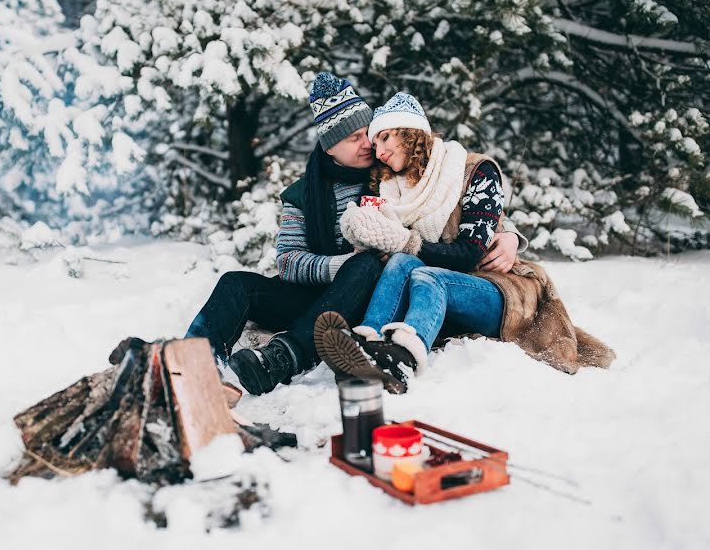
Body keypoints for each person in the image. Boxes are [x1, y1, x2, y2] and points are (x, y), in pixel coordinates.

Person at [184, 75, 526, 396]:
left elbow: (449, 197)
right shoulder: (303, 195)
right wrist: (342, 265)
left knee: (366, 267)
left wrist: (508, 234)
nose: (370, 146)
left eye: (372, 134)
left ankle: (286, 356)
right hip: (315, 296)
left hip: (366, 298)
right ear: (330, 147)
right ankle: (189, 366)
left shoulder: (390, 174)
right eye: (355, 138)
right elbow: (288, 261)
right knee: (236, 283)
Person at [314, 92, 614, 393]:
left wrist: (406, 241)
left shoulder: (476, 172)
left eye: (385, 137)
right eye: (374, 142)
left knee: (424, 273)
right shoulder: (394, 188)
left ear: (410, 131)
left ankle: (403, 359)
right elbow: (399, 252)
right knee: (402, 262)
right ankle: (367, 346)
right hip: (444, 289)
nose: (378, 152)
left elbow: (469, 254)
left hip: (500, 290)